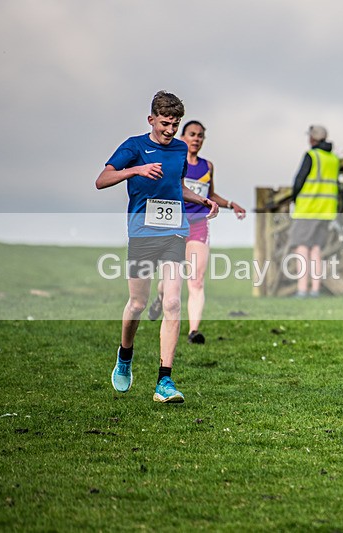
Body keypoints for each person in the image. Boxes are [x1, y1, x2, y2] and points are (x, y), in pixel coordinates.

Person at [95, 91, 218, 403]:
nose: (170, 130)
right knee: (137, 303)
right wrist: (136, 170)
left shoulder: (179, 149)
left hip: (175, 231)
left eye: (175, 124)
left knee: (174, 302)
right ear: (151, 119)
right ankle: (125, 355)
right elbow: (102, 179)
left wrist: (203, 200)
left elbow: (177, 187)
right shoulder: (134, 146)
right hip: (142, 232)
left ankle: (165, 380)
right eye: (165, 123)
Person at [148, 120, 246, 345]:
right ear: (183, 136)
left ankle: (194, 331)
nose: (196, 139)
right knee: (171, 279)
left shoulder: (207, 166)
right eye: (192, 134)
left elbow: (211, 195)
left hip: (199, 226)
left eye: (200, 136)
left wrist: (231, 204)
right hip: (174, 225)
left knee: (197, 280)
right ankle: (160, 296)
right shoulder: (174, 161)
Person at [287, 125, 339, 297]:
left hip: (308, 209)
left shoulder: (312, 155)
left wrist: (294, 197)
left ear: (312, 138)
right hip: (327, 210)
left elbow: (299, 180)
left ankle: (302, 290)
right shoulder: (333, 159)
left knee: (302, 248)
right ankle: (315, 290)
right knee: (316, 249)